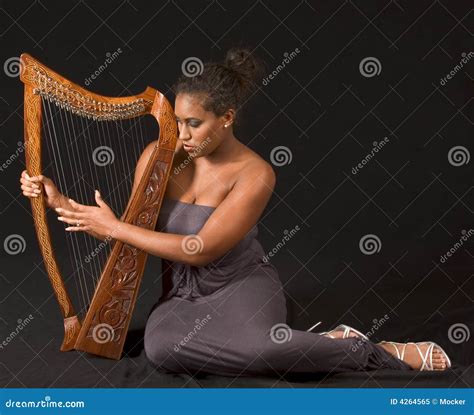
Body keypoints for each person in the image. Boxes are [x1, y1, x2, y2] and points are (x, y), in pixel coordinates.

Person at [19, 48, 451, 377]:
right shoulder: (159, 157)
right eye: (177, 121)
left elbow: (201, 249)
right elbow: (128, 235)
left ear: (226, 118)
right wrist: (61, 203)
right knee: (163, 350)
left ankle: (364, 348)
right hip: (183, 296)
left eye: (194, 123)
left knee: (266, 350)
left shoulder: (255, 172)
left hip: (240, 285)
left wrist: (116, 227)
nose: (181, 134)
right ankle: (291, 344)